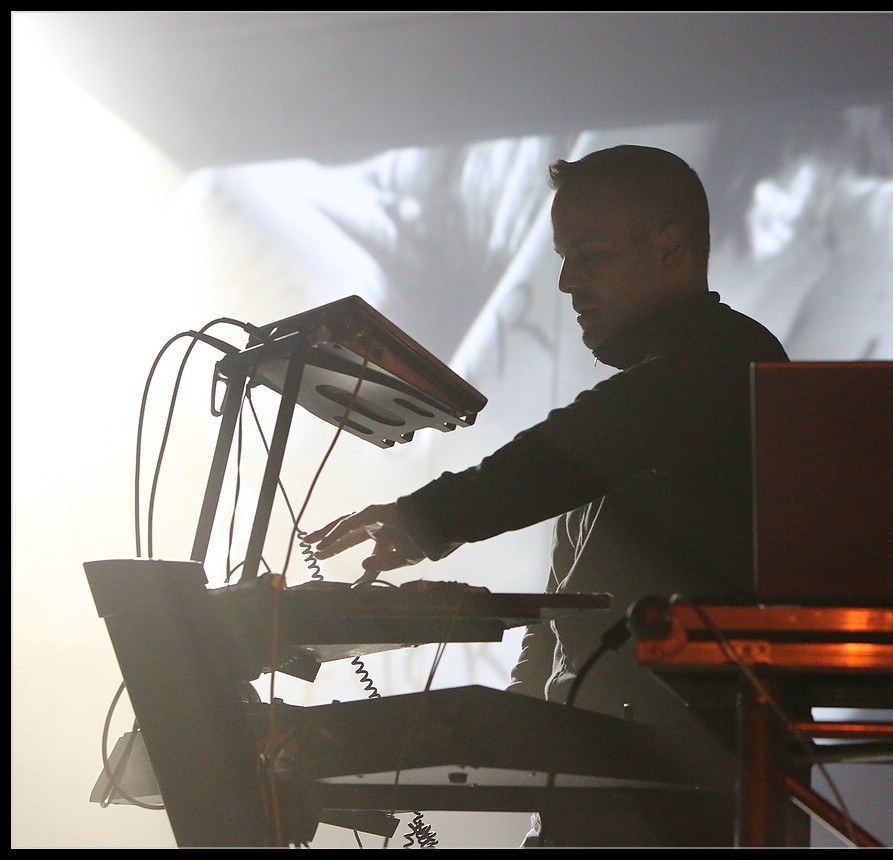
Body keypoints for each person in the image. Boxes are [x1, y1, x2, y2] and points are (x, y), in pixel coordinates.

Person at [303, 144, 790, 847]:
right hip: (612, 778)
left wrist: (427, 517)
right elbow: (572, 596)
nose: (566, 283)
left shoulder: (722, 360)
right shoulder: (654, 395)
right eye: (563, 259)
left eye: (588, 257)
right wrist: (516, 728)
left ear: (671, 248)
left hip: (686, 787)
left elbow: (574, 447)